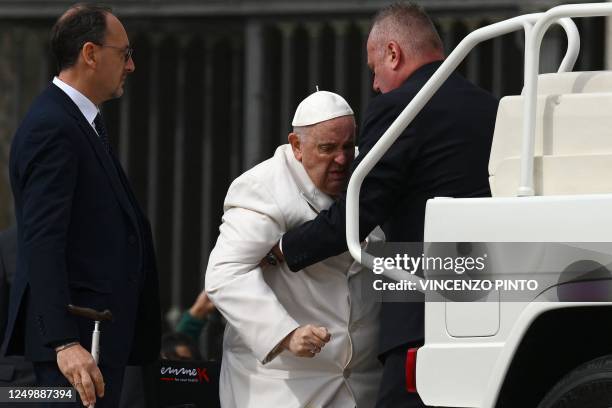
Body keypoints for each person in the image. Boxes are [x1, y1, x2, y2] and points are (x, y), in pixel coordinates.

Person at [274, 3, 499, 407]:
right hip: (492, 296)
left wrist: (285, 248)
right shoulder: (490, 106)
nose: (375, 84)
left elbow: (360, 210)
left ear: (393, 53)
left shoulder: (400, 108)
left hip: (422, 311)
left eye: (374, 67)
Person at [2, 4, 161, 407]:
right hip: (75, 351)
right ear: (90, 54)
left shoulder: (81, 122)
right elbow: (41, 240)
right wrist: (63, 341)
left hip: (95, 343)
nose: (132, 66)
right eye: (124, 53)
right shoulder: (53, 127)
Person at [205, 91, 382, 407]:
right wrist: (285, 334)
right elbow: (225, 275)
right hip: (281, 387)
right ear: (297, 146)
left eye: (347, 147)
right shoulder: (263, 188)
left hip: (360, 385)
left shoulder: (368, 177)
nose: (342, 160)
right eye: (327, 149)